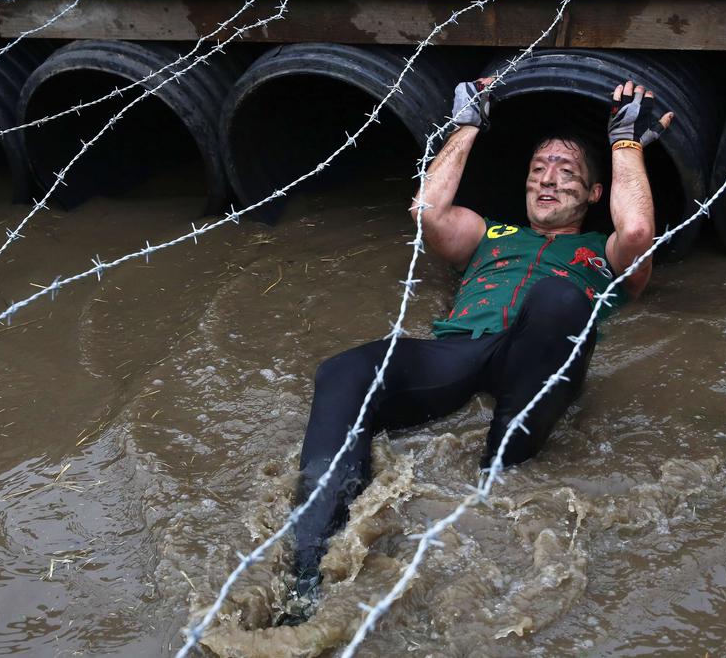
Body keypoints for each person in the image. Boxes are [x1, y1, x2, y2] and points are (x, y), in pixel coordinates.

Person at [288, 78, 674, 610]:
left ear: (594, 194)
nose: (548, 180)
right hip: (462, 349)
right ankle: (311, 557)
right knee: (344, 370)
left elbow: (636, 233)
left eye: (567, 173)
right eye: (538, 169)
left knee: (560, 297)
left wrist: (624, 141)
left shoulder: (603, 253)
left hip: (537, 360)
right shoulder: (488, 234)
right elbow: (427, 213)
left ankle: (496, 470)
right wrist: (468, 122)